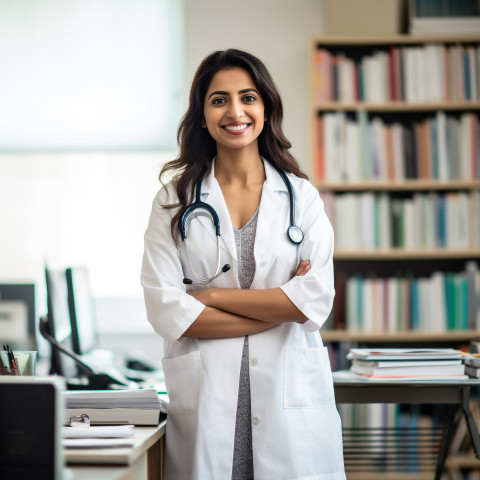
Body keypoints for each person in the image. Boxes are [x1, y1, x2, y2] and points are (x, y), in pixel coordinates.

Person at [141, 48, 345, 480]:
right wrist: (280, 305)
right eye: (219, 100)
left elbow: (314, 301)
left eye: (248, 97)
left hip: (288, 410)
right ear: (201, 115)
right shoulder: (173, 202)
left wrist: (210, 296)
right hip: (209, 408)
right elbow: (167, 310)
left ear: (266, 107)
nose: (235, 111)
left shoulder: (301, 198)